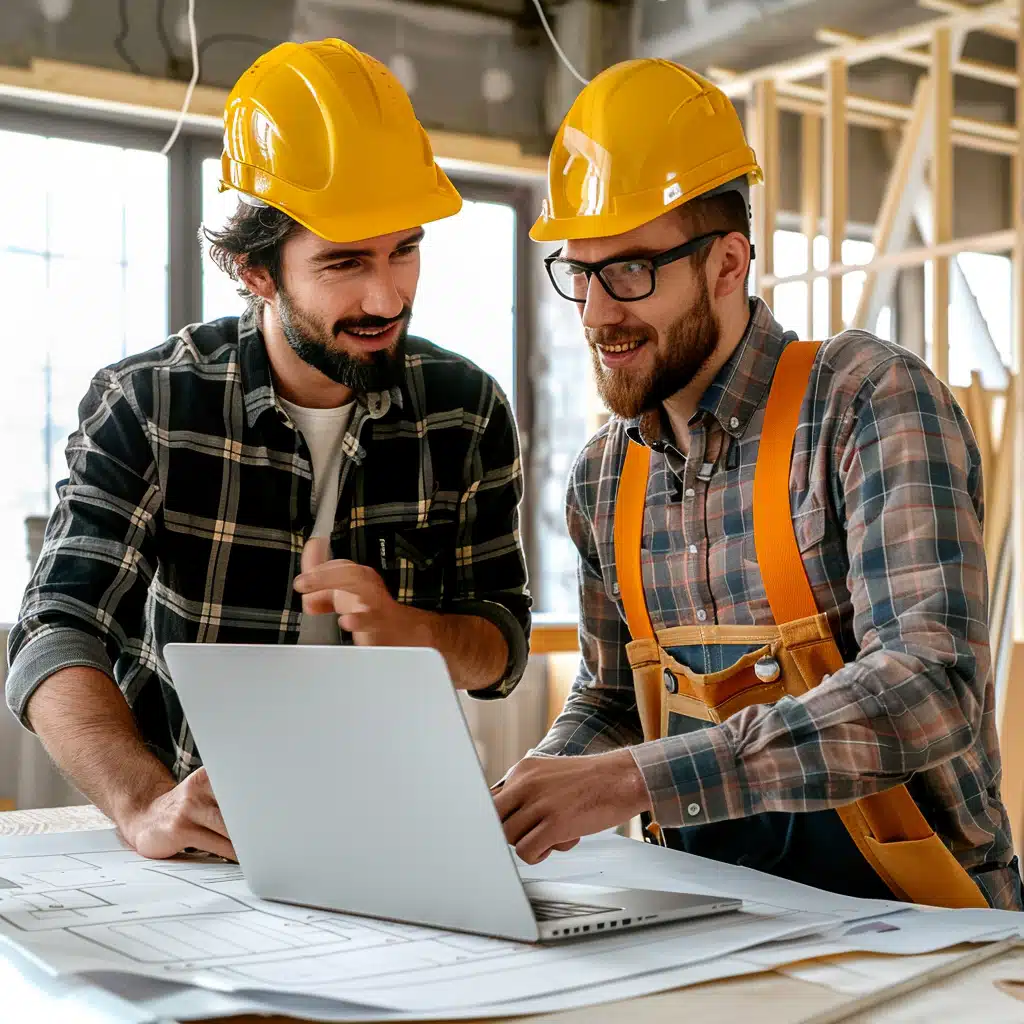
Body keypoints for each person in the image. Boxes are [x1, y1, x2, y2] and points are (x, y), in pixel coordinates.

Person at [493, 57, 1021, 911]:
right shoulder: (603, 478)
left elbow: (932, 684)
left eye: (628, 272)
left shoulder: (864, 402)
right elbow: (613, 696)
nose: (595, 313)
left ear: (728, 263)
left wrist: (637, 780)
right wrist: (545, 783)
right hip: (714, 921)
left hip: (923, 934)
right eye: (580, 272)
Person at [6, 39, 531, 863]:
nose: (387, 295)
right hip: (202, 842)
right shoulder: (147, 404)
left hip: (403, 831)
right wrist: (143, 804)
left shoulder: (467, 410)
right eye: (344, 262)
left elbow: (501, 637)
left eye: (405, 249)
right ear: (256, 273)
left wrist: (415, 633)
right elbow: (55, 629)